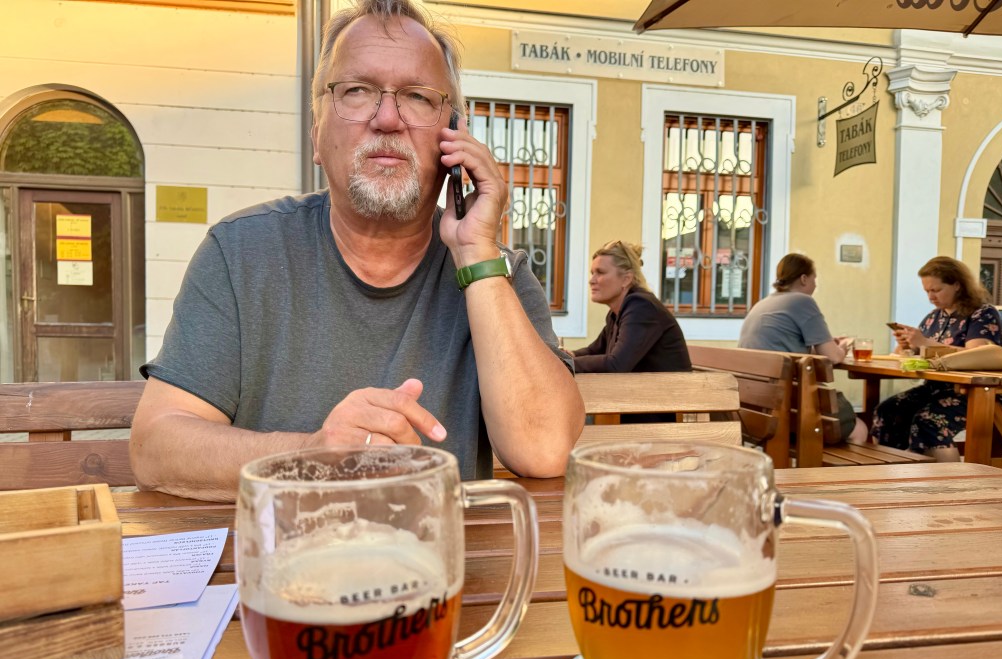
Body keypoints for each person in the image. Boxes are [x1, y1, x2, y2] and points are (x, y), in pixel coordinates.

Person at [129, 0, 584, 501]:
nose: (387, 118)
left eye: (417, 97)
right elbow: (156, 447)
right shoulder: (240, 253)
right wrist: (313, 456)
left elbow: (544, 448)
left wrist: (476, 252)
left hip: (434, 548)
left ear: (454, 140)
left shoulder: (498, 274)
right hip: (286, 547)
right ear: (316, 133)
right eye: (356, 91)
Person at [872, 256, 1002, 462]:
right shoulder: (934, 317)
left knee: (929, 421)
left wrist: (925, 343)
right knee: (888, 411)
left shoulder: (982, 313)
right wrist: (907, 346)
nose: (931, 296)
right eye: (927, 291)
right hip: (937, 389)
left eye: (936, 290)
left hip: (979, 392)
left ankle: (950, 478)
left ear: (957, 285)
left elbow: (978, 356)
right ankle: (892, 472)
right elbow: (915, 353)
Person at [738, 253, 868, 442]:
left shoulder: (764, 303)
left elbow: (789, 349)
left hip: (758, 403)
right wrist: (843, 347)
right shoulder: (802, 301)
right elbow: (834, 357)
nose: (815, 285)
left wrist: (826, 343)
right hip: (788, 403)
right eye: (815, 279)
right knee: (859, 428)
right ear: (804, 278)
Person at [570, 240, 692, 374]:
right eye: (592, 273)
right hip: (648, 386)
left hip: (672, 387)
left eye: (600, 272)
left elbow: (616, 364)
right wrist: (569, 355)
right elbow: (594, 350)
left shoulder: (641, 307)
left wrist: (567, 363)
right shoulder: (617, 312)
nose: (591, 280)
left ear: (626, 279)